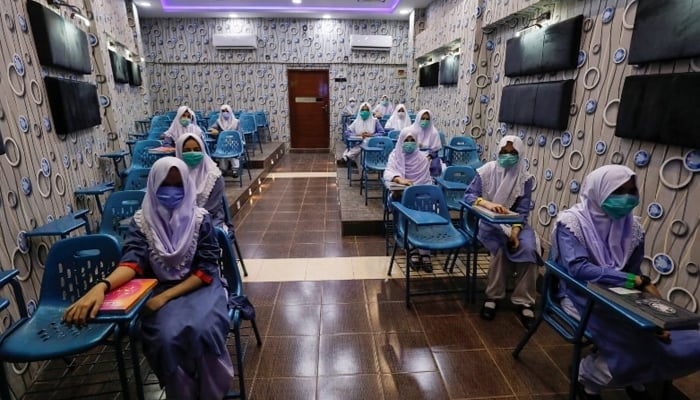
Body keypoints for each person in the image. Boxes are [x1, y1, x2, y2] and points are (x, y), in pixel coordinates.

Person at [62, 157, 234, 399]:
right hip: (157, 287)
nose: (172, 192)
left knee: (202, 330)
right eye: (165, 185)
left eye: (178, 185)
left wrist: (164, 298)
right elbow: (132, 263)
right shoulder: (142, 222)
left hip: (200, 287)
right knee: (166, 337)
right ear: (153, 185)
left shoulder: (199, 219)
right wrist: (101, 287)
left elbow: (206, 271)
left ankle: (211, 393)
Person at [551, 165, 700, 400]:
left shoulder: (633, 228)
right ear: (599, 191)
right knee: (635, 341)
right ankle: (588, 376)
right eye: (618, 192)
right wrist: (634, 281)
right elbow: (579, 269)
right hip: (580, 294)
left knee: (665, 334)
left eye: (632, 192)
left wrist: (649, 305)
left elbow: (633, 270)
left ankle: (634, 376)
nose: (627, 199)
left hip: (621, 294)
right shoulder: (572, 224)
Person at [462, 135, 541, 328]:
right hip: (487, 221)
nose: (507, 156)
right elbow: (469, 196)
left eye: (513, 153)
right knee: (500, 249)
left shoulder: (525, 178)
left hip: (515, 224)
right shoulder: (486, 171)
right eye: (504, 152)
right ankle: (493, 296)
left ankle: (525, 301)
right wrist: (488, 204)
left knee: (529, 249)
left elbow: (522, 211)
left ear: (520, 154)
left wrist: (514, 232)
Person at [383, 130, 434, 272]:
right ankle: (412, 249)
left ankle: (425, 252)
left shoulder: (422, 158)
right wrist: (399, 179)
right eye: (406, 140)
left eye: (412, 140)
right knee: (408, 216)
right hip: (400, 197)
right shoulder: (395, 155)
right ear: (401, 141)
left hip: (420, 198)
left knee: (424, 213)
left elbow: (426, 182)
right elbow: (387, 172)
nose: (409, 143)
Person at [175, 133, 231, 231]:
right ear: (179, 152)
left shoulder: (214, 177)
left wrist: (193, 222)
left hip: (210, 219)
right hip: (181, 219)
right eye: (187, 150)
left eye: (197, 150)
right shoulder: (174, 176)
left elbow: (211, 209)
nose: (192, 153)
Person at [341, 101, 385, 166]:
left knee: (364, 143)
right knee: (359, 151)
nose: (365, 112)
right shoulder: (356, 121)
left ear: (370, 111)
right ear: (360, 111)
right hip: (358, 143)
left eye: (367, 110)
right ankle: (351, 159)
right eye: (363, 110)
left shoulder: (375, 121)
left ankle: (348, 156)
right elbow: (347, 132)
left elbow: (382, 133)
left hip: (371, 144)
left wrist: (371, 135)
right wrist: (358, 135)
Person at [403, 109, 443, 176]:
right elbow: (406, 146)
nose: (425, 121)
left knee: (435, 166)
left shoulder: (434, 132)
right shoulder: (411, 130)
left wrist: (429, 157)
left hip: (428, 156)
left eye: (427, 119)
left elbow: (435, 150)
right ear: (418, 118)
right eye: (423, 118)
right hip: (412, 154)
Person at [208, 104, 240, 177]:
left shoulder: (236, 122)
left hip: (234, 142)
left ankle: (235, 169)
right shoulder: (218, 122)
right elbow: (211, 129)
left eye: (227, 111)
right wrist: (214, 131)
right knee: (221, 151)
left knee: (233, 150)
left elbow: (239, 134)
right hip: (222, 143)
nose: (225, 113)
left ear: (230, 112)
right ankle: (223, 169)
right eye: (223, 111)